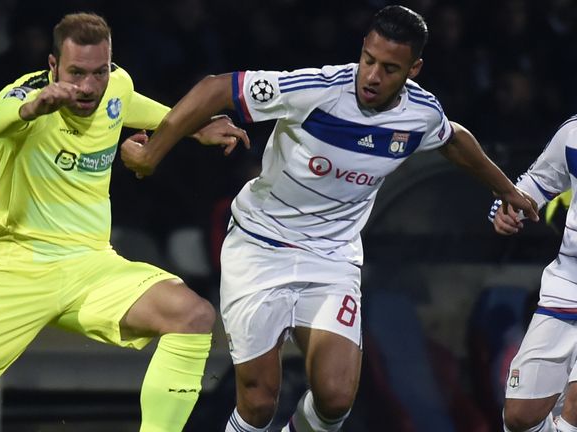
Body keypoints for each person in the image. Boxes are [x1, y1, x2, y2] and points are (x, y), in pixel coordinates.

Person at [120, 5, 539, 432]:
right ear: (362, 50)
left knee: (336, 398)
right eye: (368, 60)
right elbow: (214, 89)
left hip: (332, 257)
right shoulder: (316, 89)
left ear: (414, 69)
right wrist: (153, 154)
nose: (373, 76)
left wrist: (507, 190)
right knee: (260, 400)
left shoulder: (420, 114)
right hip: (262, 245)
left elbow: (454, 139)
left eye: (389, 68)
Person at [0, 12, 247, 432]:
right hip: (14, 269)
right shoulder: (27, 100)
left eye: (99, 72)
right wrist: (32, 107)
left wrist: (194, 127)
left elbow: (131, 105)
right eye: (76, 73)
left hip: (90, 267)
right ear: (53, 66)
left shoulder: (116, 86)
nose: (89, 86)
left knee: (193, 315)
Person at [490, 114, 577, 432]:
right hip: (567, 284)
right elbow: (537, 184)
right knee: (519, 418)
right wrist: (505, 209)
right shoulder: (573, 133)